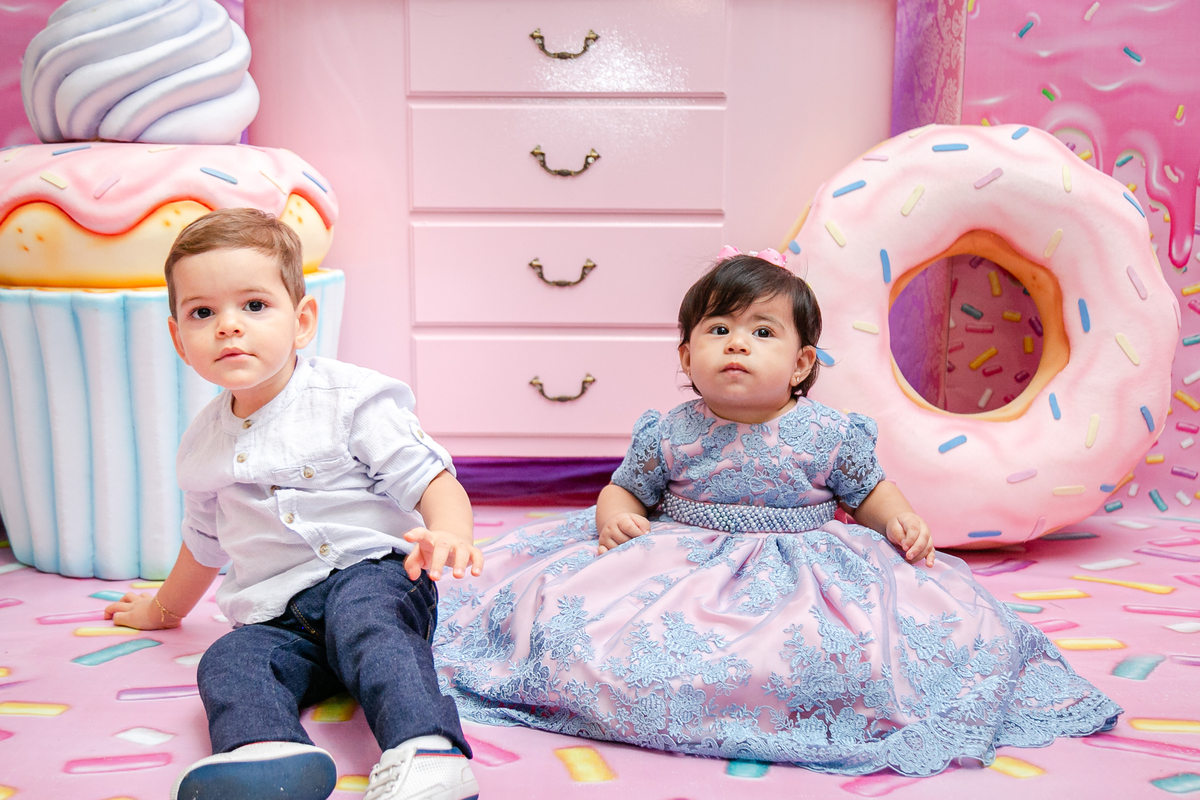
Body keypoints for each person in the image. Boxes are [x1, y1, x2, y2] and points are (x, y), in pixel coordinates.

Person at [432, 248, 1121, 777]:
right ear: (687, 356)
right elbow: (625, 489)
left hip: (803, 571)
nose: (737, 343)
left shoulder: (828, 433)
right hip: (678, 564)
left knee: (843, 655)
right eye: (719, 329)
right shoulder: (670, 432)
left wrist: (899, 519)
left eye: (762, 331)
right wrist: (615, 514)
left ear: (800, 363)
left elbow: (868, 492)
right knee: (586, 627)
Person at [104, 208, 484, 800]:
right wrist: (162, 609)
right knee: (229, 659)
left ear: (302, 321)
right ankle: (266, 752)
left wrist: (450, 530)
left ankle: (427, 751)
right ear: (179, 339)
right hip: (279, 614)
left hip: (373, 575)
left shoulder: (350, 400)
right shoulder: (201, 445)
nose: (229, 327)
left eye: (254, 305)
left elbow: (428, 478)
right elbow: (203, 543)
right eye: (203, 313)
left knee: (370, 626)